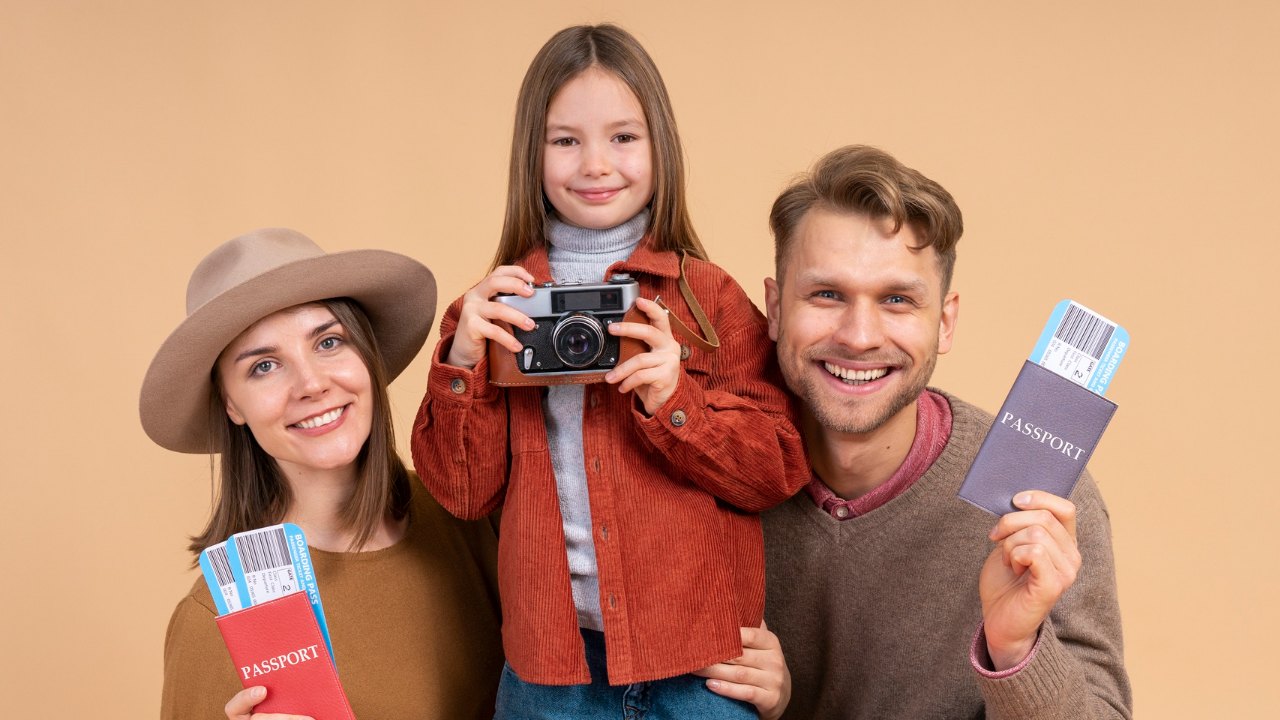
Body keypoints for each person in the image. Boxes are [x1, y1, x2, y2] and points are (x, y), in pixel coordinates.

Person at [410, 24, 805, 719]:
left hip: (698, 662)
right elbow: (465, 495)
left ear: (661, 147)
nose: (596, 163)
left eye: (623, 137)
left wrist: (673, 399)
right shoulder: (496, 308)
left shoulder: (707, 299)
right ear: (531, 154)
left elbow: (775, 470)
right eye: (566, 140)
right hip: (551, 667)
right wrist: (464, 362)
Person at [760, 145, 1132, 719]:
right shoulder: (707, 467)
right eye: (827, 294)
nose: (859, 336)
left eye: (897, 300)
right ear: (776, 306)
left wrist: (1015, 650)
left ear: (945, 321)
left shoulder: (1046, 500)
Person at [140, 228, 504, 720]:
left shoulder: (469, 515)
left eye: (329, 342)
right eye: (264, 366)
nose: (311, 383)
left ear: (367, 356)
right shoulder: (220, 621)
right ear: (232, 404)